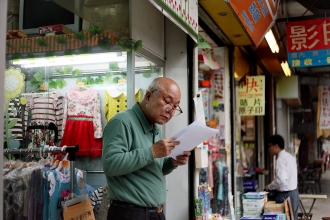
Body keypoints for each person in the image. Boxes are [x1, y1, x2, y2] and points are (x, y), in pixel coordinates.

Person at [102, 77, 191, 220]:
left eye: (175, 106)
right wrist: (153, 151)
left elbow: (153, 168)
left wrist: (173, 162)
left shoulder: (155, 127)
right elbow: (110, 164)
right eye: (168, 102)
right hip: (130, 213)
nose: (170, 111)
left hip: (154, 213)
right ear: (149, 96)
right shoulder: (122, 121)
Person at [265, 134, 299, 220]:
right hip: (294, 193)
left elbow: (281, 180)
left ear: (276, 146)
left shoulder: (280, 160)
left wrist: (269, 187)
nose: (268, 149)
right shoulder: (290, 157)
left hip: (285, 195)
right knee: (292, 218)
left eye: (269, 146)